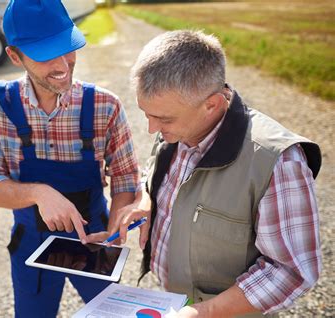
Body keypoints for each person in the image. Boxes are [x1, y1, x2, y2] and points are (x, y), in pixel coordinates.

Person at [114, 30, 322, 317]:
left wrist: (203, 312)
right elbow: (159, 174)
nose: (151, 129)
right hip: (174, 301)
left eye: (163, 118)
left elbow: (291, 271)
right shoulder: (179, 125)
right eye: (146, 114)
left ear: (211, 104)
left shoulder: (278, 162)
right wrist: (148, 200)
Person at [0, 0, 139, 316]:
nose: (63, 64)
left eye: (67, 47)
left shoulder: (105, 106)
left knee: (113, 313)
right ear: (14, 56)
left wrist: (116, 230)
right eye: (45, 54)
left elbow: (126, 178)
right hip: (29, 243)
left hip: (95, 239)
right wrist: (38, 194)